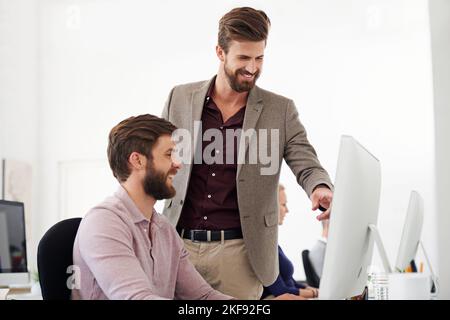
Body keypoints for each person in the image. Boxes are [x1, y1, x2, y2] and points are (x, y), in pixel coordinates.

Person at [162, 7, 333, 300]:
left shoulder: (280, 110)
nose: (252, 68)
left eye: (259, 58)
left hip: (240, 256)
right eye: (243, 58)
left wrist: (320, 187)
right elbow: (157, 158)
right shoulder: (180, 97)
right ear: (220, 52)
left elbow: (305, 159)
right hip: (180, 249)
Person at [71, 114, 233, 300]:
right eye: (168, 154)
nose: (178, 164)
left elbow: (203, 296)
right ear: (137, 161)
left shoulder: (163, 228)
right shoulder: (103, 223)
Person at [261, 184, 319, 299]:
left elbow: (291, 282)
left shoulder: (273, 243)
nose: (287, 210)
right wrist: (316, 293)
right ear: (271, 207)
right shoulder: (263, 247)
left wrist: (310, 289)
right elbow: (280, 290)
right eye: (283, 205)